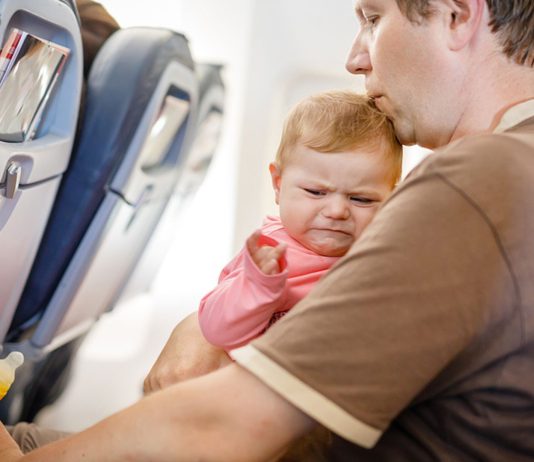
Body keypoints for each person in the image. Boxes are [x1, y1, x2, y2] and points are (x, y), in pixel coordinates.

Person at [1, 0, 534, 460]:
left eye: (374, 18)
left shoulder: (482, 178)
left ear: (458, 16)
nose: (355, 58)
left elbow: (230, 427)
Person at [198, 90, 401, 352]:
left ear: (392, 198)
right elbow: (217, 332)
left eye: (361, 199)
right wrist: (257, 285)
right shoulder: (268, 255)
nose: (337, 211)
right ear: (278, 184)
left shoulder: (382, 255)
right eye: (316, 192)